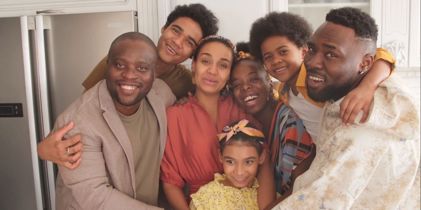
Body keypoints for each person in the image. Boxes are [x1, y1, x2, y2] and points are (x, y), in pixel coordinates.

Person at [268, 7, 419, 209]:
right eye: (312, 49)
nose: (312, 62)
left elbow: (318, 203)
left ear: (365, 63)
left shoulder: (361, 129)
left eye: (331, 54)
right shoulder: (349, 85)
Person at [37, 3, 219, 169]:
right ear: (164, 28)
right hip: (102, 157)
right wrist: (44, 148)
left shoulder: (186, 81)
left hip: (146, 166)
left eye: (189, 42)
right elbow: (81, 110)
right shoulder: (120, 59)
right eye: (176, 31)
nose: (177, 42)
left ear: (193, 54)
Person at [54, 32, 175, 209]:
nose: (129, 75)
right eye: (120, 65)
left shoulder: (161, 94)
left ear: (154, 73)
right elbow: (93, 196)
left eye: (141, 68)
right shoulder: (77, 121)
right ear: (107, 65)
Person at [159, 35, 274, 210]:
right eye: (206, 61)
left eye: (223, 65)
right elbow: (170, 180)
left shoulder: (240, 107)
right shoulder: (174, 116)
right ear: (194, 66)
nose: (213, 71)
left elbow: (264, 159)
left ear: (229, 74)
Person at [249, 12, 395, 141]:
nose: (276, 61)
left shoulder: (318, 77)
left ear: (304, 50)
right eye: (268, 57)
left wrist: (367, 87)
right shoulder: (283, 91)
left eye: (283, 52)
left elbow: (382, 54)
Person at [230, 42, 315, 200]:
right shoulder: (249, 126)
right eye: (236, 85)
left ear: (269, 81)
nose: (245, 88)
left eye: (254, 80)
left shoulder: (290, 123)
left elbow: (298, 192)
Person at [189, 119, 266, 210]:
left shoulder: (264, 193)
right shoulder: (205, 199)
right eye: (230, 162)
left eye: (248, 162)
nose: (239, 172)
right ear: (220, 156)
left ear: (261, 157)